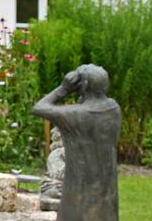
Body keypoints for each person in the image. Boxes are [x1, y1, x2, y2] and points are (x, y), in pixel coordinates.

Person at [32, 64, 121, 221]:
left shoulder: (76, 114)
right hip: (106, 194)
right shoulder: (114, 109)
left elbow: (39, 108)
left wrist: (63, 89)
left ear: (83, 85)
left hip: (79, 195)